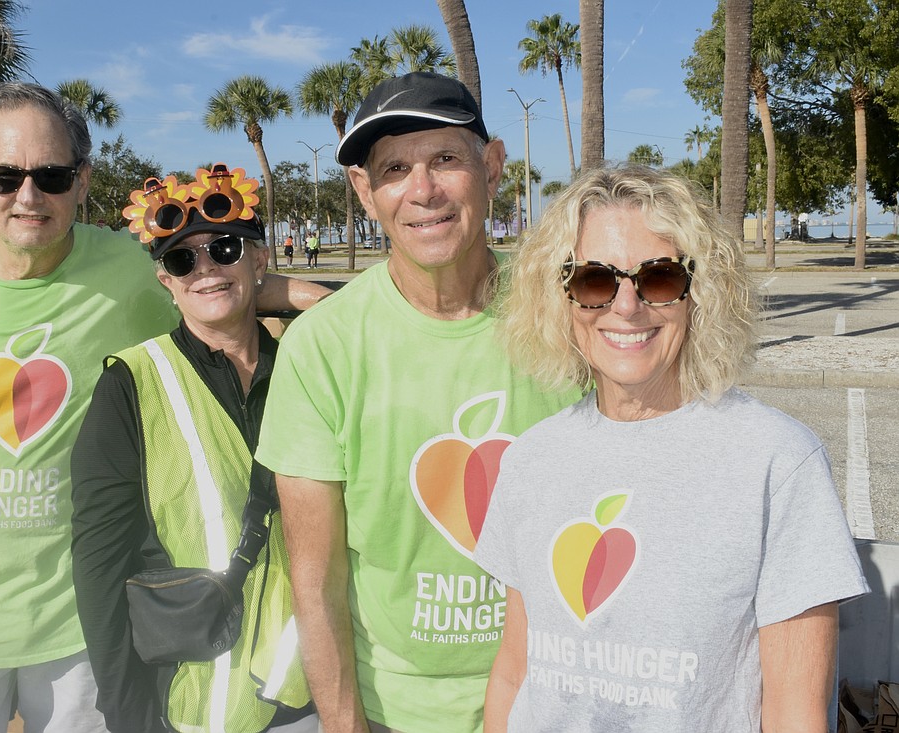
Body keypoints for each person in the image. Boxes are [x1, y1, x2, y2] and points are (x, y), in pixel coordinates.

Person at [0, 82, 328, 732]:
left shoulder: (130, 272)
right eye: (6, 175)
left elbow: (210, 293)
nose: (29, 195)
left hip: (83, 636)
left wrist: (288, 291)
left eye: (52, 175)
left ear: (83, 179)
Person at [476, 165, 868, 732]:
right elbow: (515, 672)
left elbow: (796, 714)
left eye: (658, 277)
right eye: (594, 280)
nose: (627, 306)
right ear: (560, 297)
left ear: (698, 290)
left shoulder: (777, 461)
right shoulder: (530, 459)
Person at [254, 71, 581, 733]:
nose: (422, 190)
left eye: (446, 160)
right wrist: (346, 725)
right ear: (364, 191)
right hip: (393, 709)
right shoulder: (323, 346)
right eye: (395, 168)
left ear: (491, 167)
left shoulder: (570, 311)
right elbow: (316, 579)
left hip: (555, 694)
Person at [69, 163, 316, 732]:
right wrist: (125, 710)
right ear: (167, 281)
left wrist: (296, 293)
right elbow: (100, 561)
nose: (204, 268)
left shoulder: (308, 364)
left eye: (225, 249)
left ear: (259, 258)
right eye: (183, 259)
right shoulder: (131, 383)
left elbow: (379, 327)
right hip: (197, 702)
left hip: (315, 689)